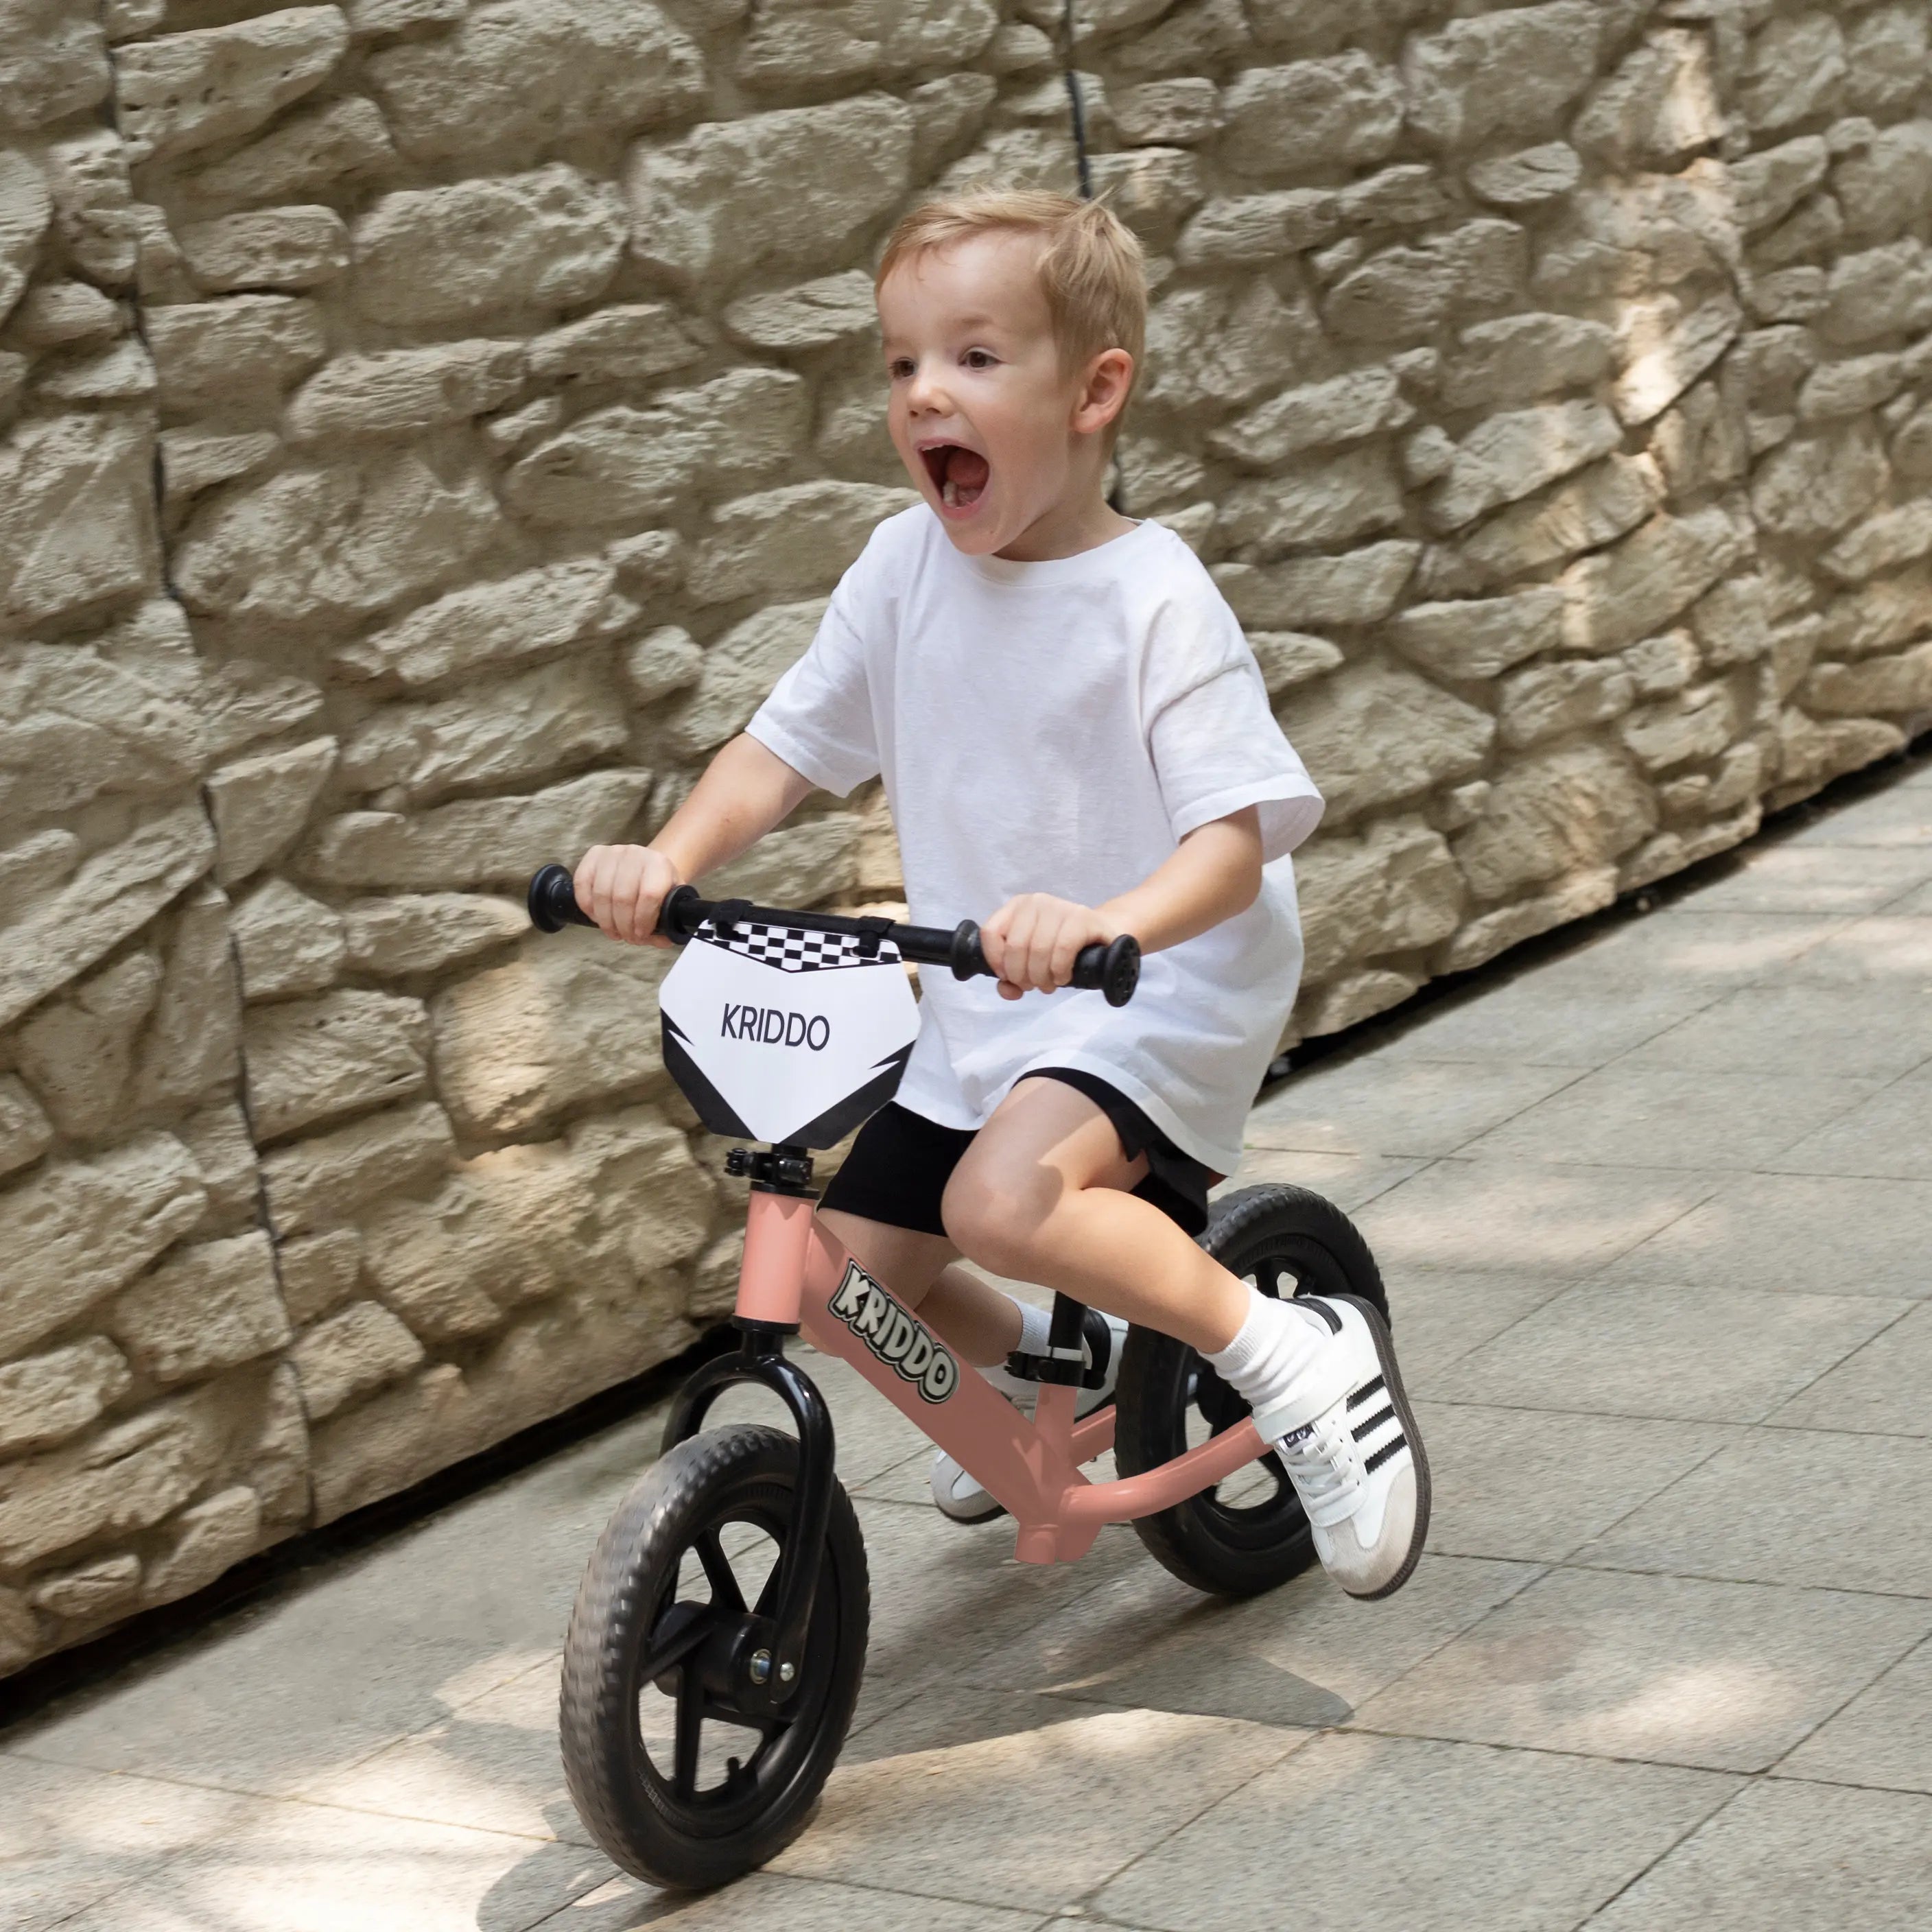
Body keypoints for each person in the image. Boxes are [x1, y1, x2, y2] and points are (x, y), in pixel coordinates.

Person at [575, 189, 1429, 1599]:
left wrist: (1108, 922)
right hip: (985, 991)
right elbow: (784, 746)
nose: (925, 396)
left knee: (996, 1205)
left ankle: (1294, 1355)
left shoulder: (1153, 598)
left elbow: (1233, 845)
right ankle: (1052, 1369)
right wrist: (669, 859)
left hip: (1161, 979)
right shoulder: (903, 567)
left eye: (973, 359)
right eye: (901, 363)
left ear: (1095, 392)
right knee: (833, 1286)